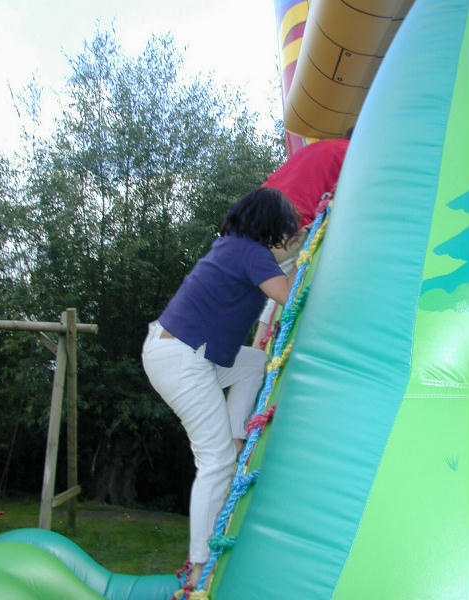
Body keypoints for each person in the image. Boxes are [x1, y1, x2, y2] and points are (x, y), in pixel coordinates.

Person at [141, 187, 299, 588]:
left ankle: (234, 435)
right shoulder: (251, 253)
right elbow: (289, 295)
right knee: (215, 462)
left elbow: (279, 271)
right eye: (287, 229)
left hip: (182, 352)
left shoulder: (233, 247)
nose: (288, 236)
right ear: (272, 226)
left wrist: (295, 254)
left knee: (254, 363)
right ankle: (199, 567)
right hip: (183, 358)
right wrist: (303, 259)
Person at [252, 136, 350, 349]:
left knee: (276, 285)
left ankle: (258, 346)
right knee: (291, 290)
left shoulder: (320, 148)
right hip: (287, 223)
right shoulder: (353, 153)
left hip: (256, 215)